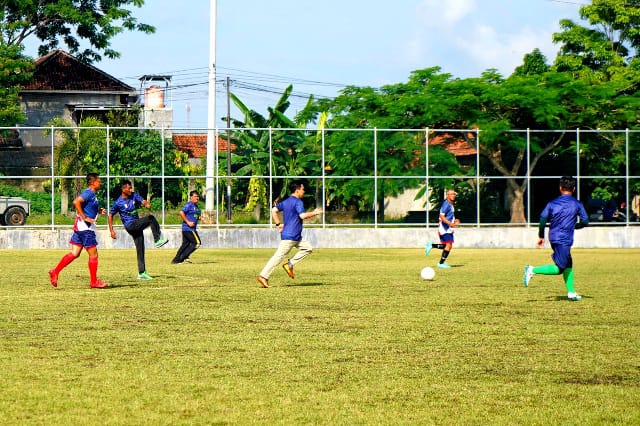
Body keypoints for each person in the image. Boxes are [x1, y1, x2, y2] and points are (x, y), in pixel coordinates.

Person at [523, 176, 589, 301]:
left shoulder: (552, 203)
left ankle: (571, 292)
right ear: (573, 189)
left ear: (560, 188)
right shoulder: (577, 204)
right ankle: (532, 270)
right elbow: (586, 221)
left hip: (553, 237)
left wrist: (541, 236)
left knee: (568, 263)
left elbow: (542, 220)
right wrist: (576, 226)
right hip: (563, 239)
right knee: (560, 268)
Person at [256, 180, 322, 288]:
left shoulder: (286, 201)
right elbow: (302, 216)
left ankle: (289, 264)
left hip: (296, 237)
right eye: (302, 189)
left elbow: (274, 210)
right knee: (277, 257)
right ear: (297, 190)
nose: (304, 191)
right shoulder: (298, 202)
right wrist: (315, 212)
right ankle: (263, 276)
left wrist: (278, 224)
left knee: (308, 248)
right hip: (290, 237)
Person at [48, 173, 108, 288]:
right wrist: (85, 217)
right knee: (93, 254)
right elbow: (76, 202)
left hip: (80, 227)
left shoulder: (92, 194)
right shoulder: (89, 192)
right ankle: (94, 281)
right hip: (85, 228)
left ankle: (55, 271)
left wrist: (98, 211)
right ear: (93, 182)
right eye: (99, 181)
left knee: (74, 253)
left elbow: (87, 206)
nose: (100, 183)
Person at [108, 179, 168, 280]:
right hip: (130, 226)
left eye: (131, 188)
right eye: (129, 188)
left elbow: (142, 200)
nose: (131, 190)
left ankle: (142, 273)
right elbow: (110, 215)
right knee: (150, 218)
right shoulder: (118, 202)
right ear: (123, 189)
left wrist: (146, 203)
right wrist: (111, 230)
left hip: (136, 224)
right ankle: (157, 240)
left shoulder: (133, 195)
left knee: (140, 249)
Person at [425, 189, 460, 268]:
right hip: (444, 228)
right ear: (447, 195)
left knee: (447, 245)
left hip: (448, 228)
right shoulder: (446, 204)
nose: (453, 195)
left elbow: (449, 216)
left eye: (454, 194)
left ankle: (431, 245)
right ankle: (441, 263)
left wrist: (455, 220)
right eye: (451, 194)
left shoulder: (451, 204)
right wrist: (450, 223)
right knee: (448, 245)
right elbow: (442, 216)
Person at [172, 190, 201, 264]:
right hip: (189, 229)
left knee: (185, 244)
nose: (197, 198)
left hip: (187, 229)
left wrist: (200, 218)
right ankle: (183, 257)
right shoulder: (189, 205)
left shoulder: (196, 206)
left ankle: (176, 260)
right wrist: (188, 222)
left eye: (198, 196)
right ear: (191, 197)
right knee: (197, 243)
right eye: (195, 196)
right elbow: (181, 212)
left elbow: (194, 215)